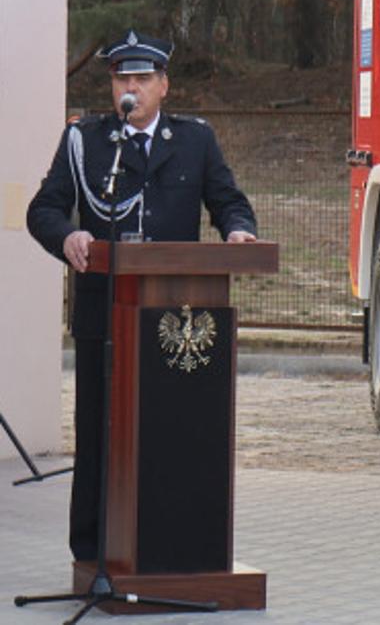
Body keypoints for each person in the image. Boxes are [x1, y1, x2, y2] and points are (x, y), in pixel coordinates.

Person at [26, 30, 257, 563]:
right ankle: (94, 554)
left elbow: (228, 200)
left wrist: (238, 229)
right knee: (100, 435)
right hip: (105, 314)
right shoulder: (85, 141)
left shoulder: (195, 140)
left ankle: (173, 549)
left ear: (163, 86)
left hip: (177, 318)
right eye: (122, 79)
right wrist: (68, 235)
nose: (131, 88)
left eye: (142, 79)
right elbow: (44, 209)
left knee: (173, 433)